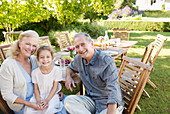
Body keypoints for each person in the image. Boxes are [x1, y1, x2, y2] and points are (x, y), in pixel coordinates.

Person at [64, 32, 124, 114]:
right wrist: (68, 77)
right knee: (68, 100)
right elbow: (70, 68)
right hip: (91, 100)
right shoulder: (79, 58)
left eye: (83, 44)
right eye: (77, 47)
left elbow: (113, 92)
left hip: (108, 103)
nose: (80, 49)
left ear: (91, 43)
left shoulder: (106, 60)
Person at [0, 30, 44, 114]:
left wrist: (57, 90)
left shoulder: (35, 60)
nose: (31, 49)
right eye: (27, 44)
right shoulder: (8, 65)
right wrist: (30, 104)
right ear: (19, 43)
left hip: (40, 99)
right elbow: (7, 95)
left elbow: (46, 76)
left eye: (34, 45)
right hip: (23, 106)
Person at [24, 46, 67, 114]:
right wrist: (38, 101)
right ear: (38, 59)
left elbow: (55, 87)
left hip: (52, 95)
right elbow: (36, 89)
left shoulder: (56, 71)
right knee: (31, 110)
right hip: (39, 95)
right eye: (42, 57)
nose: (45, 59)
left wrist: (47, 100)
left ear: (52, 58)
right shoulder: (35, 72)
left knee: (50, 109)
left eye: (48, 57)